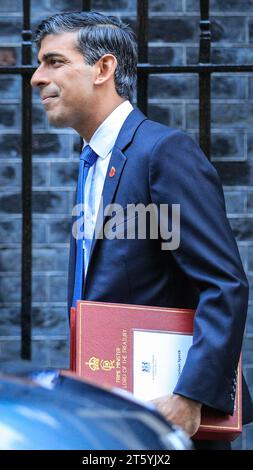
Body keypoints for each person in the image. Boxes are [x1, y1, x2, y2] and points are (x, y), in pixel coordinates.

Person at [31, 11, 253, 450]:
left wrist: (190, 397)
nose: (37, 77)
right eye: (40, 63)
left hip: (169, 418)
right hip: (115, 411)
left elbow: (223, 285)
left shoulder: (163, 152)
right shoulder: (92, 162)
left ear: (104, 68)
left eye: (54, 62)